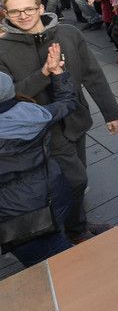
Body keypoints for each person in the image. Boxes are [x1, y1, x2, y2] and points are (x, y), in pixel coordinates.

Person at [0, 0, 118, 244]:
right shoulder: (2, 50)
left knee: (75, 176)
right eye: (15, 11)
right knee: (77, 180)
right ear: (6, 14)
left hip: (76, 119)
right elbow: (10, 97)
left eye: (29, 9)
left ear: (41, 8)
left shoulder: (69, 33)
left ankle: (75, 223)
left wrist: (110, 112)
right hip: (42, 131)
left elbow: (92, 74)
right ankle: (74, 231)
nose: (23, 15)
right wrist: (44, 73)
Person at [0, 52, 79, 267]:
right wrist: (57, 72)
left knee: (55, 265)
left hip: (17, 220)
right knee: (56, 237)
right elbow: (67, 101)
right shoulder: (35, 114)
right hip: (54, 195)